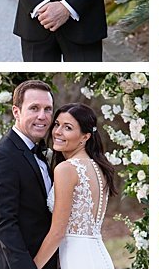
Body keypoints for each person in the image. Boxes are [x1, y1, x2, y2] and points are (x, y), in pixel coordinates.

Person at [0, 80, 58, 268]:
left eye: (48, 109)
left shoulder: (42, 151)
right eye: (34, 108)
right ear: (16, 112)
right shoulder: (2, 156)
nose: (42, 116)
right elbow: (5, 224)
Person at [33, 104, 118, 269]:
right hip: (100, 257)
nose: (58, 132)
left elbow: (57, 233)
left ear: (85, 137)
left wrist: (31, 268)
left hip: (76, 260)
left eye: (68, 127)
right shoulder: (100, 167)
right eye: (57, 124)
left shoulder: (66, 169)